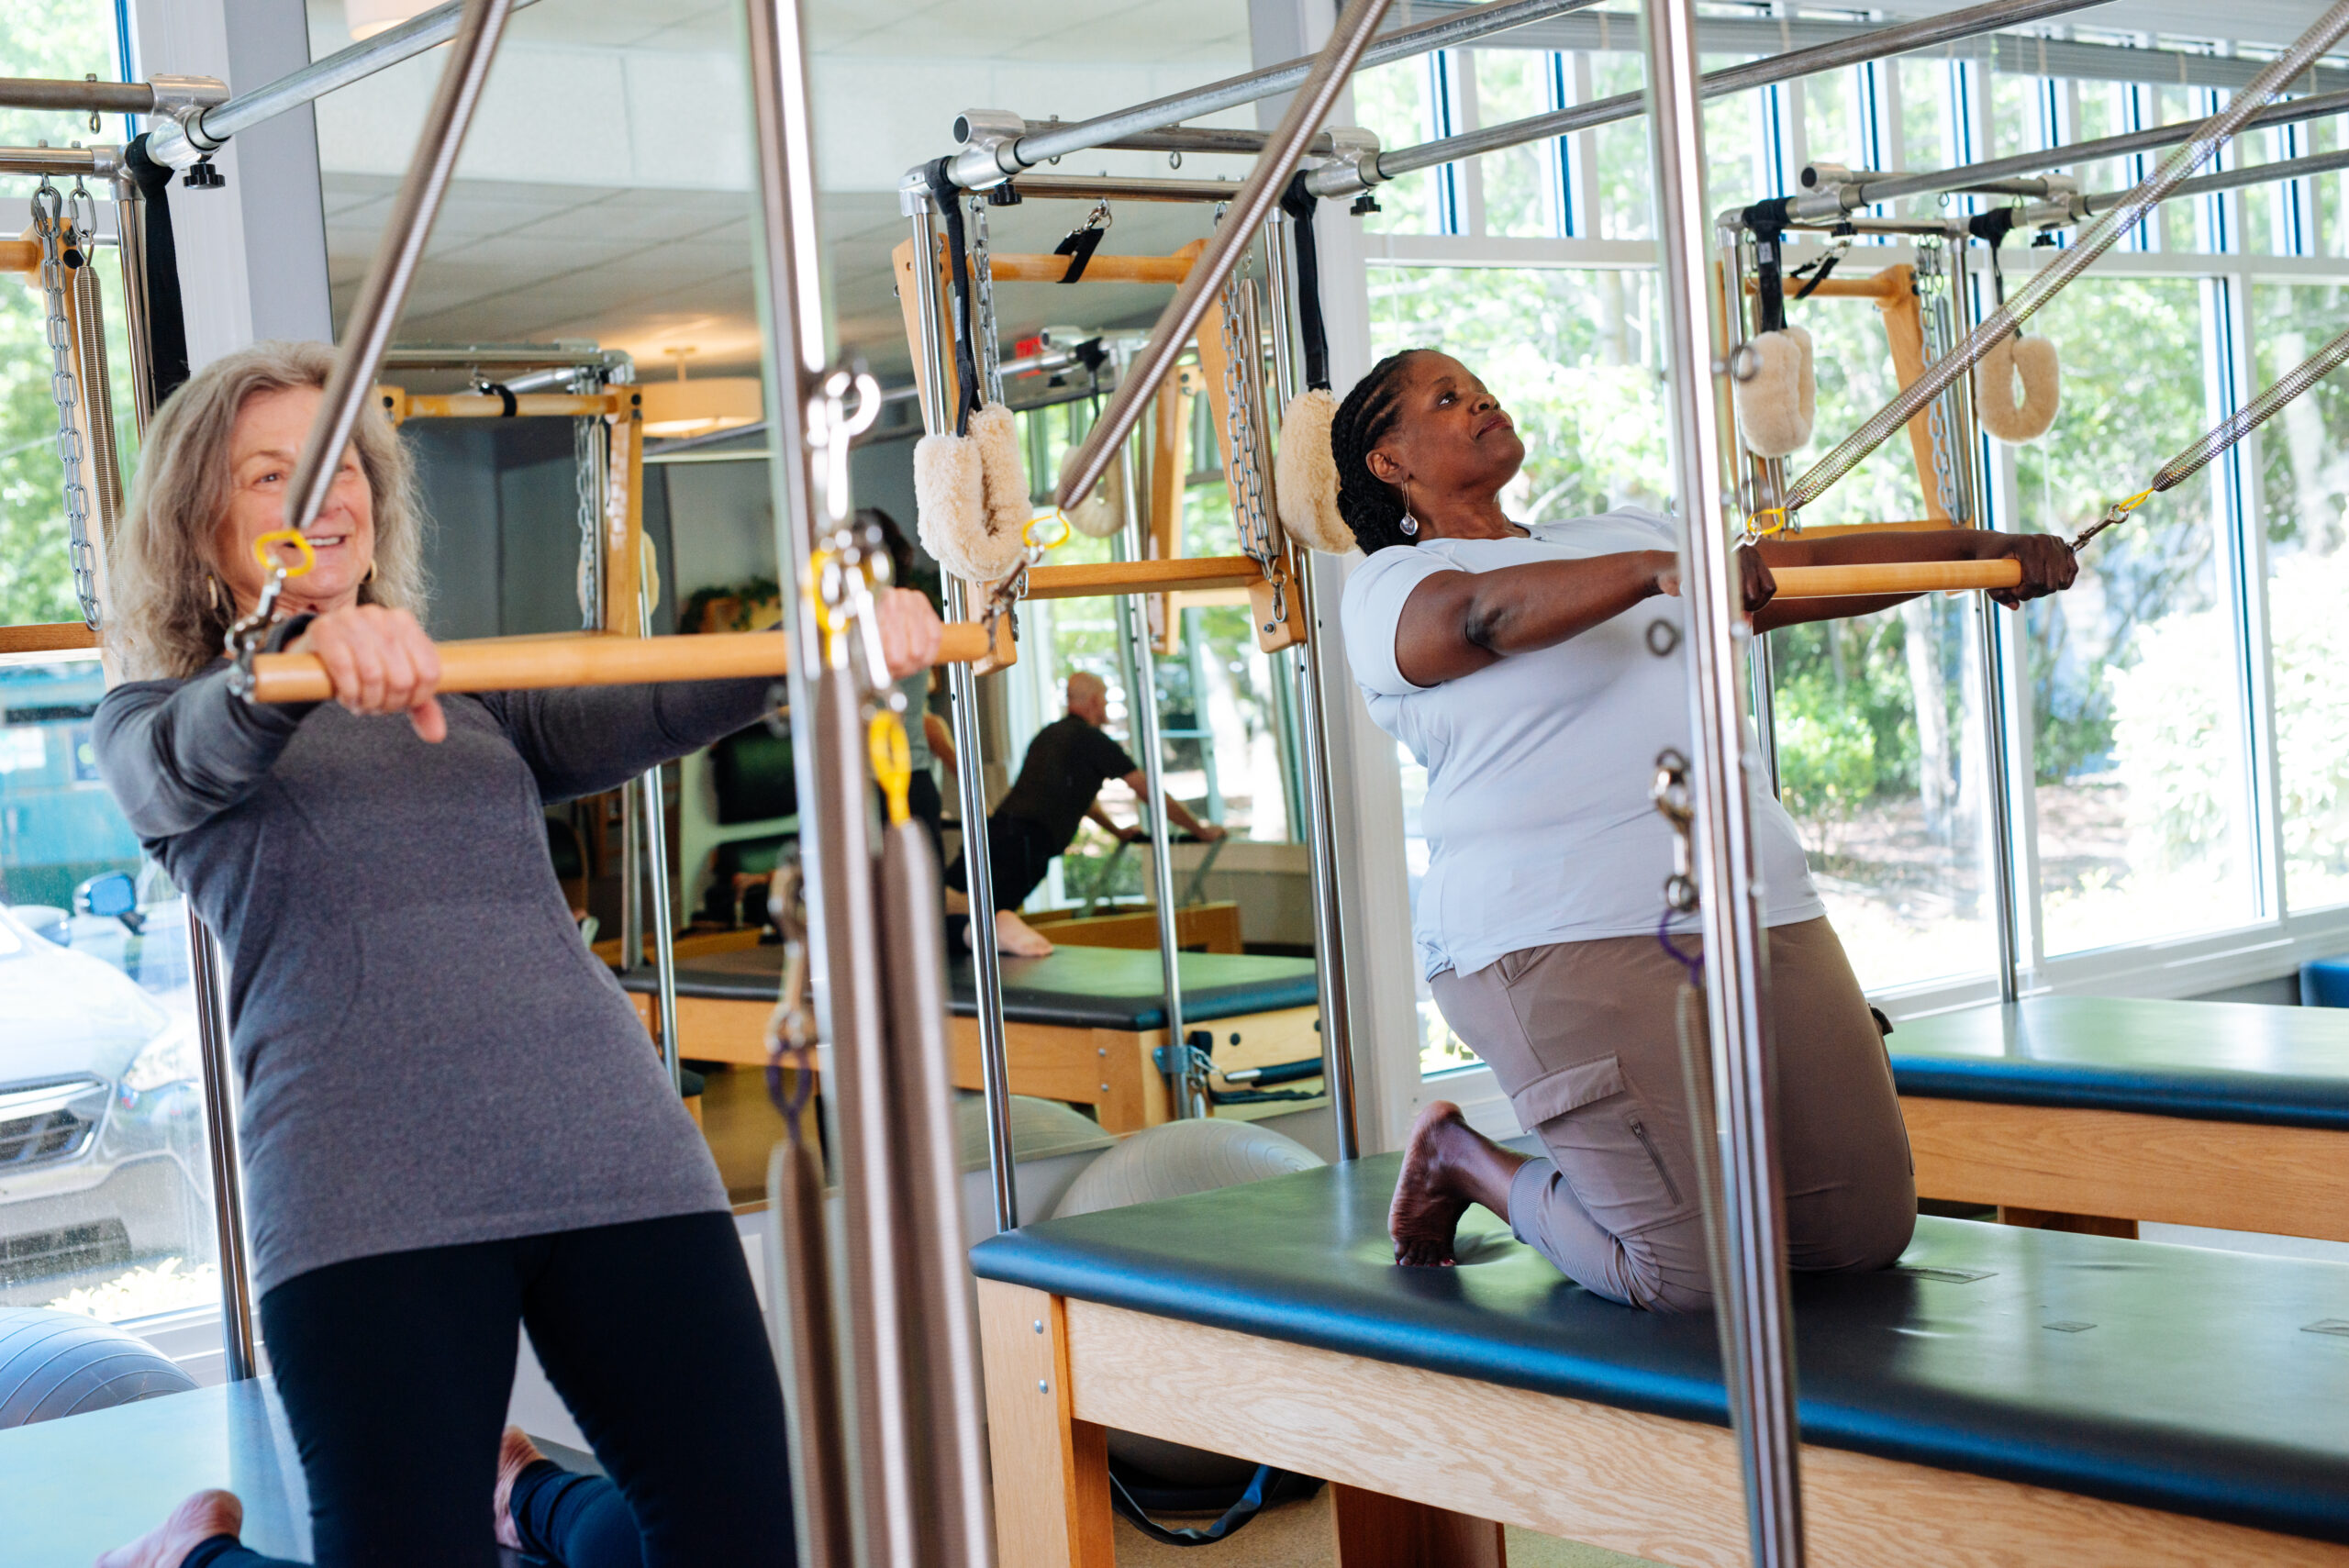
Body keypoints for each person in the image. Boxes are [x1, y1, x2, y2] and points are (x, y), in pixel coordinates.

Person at [91, 340, 942, 1568]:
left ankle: (529, 1496)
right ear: (198, 522)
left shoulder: (469, 690)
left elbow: (657, 694)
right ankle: (190, 1557)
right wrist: (286, 663)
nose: (324, 499)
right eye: (273, 473)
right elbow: (188, 756)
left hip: (613, 1148)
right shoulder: (155, 720)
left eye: (344, 469)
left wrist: (826, 632)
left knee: (749, 1538)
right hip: (365, 1195)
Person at [1337, 349, 2076, 1312]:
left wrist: (1982, 552)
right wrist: (1657, 571)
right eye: (1444, 397)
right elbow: (1477, 616)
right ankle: (1464, 1161)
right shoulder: (1392, 583)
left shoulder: (1623, 531)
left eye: (1476, 383)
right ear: (1389, 466)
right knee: (1689, 1279)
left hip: (1756, 909)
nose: (1479, 398)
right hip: (1553, 936)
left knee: (1855, 1233)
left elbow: (1789, 570)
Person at [946, 671, 1224, 957]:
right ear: (1093, 701)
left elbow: (1079, 801)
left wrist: (1116, 831)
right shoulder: (1092, 740)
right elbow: (1148, 790)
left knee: (945, 903)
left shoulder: (1050, 734)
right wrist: (1200, 830)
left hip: (996, 832)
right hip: (1026, 844)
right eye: (1104, 699)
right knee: (982, 924)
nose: (1105, 706)